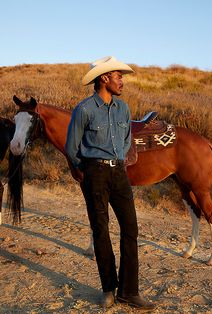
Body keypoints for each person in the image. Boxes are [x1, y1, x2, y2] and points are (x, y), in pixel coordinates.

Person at [65, 56, 157, 310]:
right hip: (94, 173)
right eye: (119, 76)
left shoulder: (123, 109)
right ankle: (108, 288)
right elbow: (71, 148)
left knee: (130, 229)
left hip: (119, 172)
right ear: (104, 78)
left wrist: (117, 160)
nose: (122, 81)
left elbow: (126, 140)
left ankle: (129, 292)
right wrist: (88, 170)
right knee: (101, 230)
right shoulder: (84, 110)